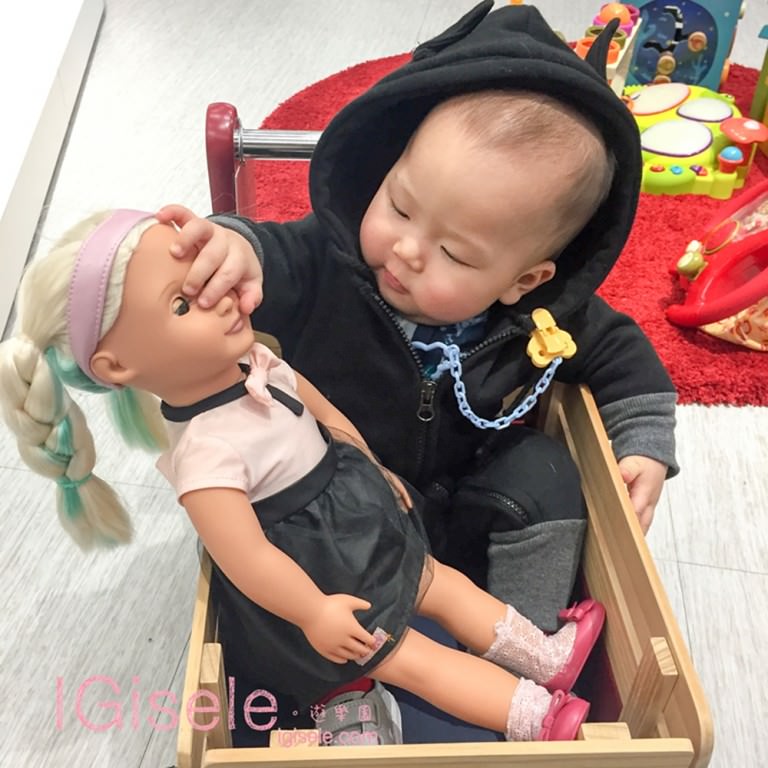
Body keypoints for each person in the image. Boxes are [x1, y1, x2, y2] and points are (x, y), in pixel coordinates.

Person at [160, 1, 678, 637]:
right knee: (286, 542)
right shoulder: (327, 259)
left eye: (455, 253)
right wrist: (233, 247)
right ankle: (369, 661)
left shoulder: (537, 317)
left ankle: (525, 639)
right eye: (400, 208)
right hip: (333, 497)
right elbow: (267, 252)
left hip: (458, 498)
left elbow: (622, 352)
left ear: (522, 281)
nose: (406, 250)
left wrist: (644, 446)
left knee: (545, 472)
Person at [0, 209, 608, 742]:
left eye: (204, 285)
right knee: (409, 658)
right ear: (117, 367)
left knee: (440, 583)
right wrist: (314, 611)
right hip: (319, 569)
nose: (218, 299)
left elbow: (324, 414)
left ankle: (546, 658)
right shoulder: (204, 455)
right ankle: (534, 716)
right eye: (182, 304)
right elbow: (248, 559)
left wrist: (370, 464)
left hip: (356, 510)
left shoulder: (255, 359)